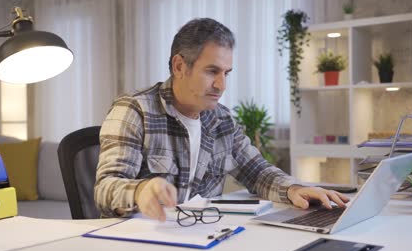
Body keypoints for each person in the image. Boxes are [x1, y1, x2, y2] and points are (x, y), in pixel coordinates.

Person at [94, 18, 349, 221]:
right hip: (134, 241)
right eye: (212, 71)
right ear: (179, 66)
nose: (221, 85)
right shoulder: (134, 110)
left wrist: (294, 189)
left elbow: (258, 172)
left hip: (197, 238)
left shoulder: (221, 119)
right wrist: (139, 191)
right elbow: (104, 188)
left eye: (227, 73)